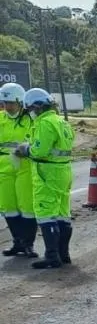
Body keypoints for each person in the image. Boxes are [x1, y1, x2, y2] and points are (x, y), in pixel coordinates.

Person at [14, 88, 74, 269]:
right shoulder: (61, 121)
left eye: (30, 109)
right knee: (63, 213)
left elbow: (40, 150)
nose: (30, 113)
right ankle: (64, 254)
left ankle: (52, 256)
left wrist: (26, 150)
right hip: (63, 170)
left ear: (37, 107)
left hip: (46, 172)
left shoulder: (44, 123)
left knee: (45, 213)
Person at [0, 83, 36, 258]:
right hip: (4, 170)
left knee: (27, 207)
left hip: (25, 168)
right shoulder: (1, 119)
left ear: (20, 102)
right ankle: (18, 242)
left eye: (10, 103)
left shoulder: (31, 119)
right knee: (8, 207)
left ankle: (28, 244)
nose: (7, 107)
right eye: (4, 103)